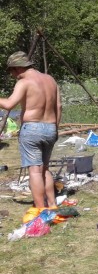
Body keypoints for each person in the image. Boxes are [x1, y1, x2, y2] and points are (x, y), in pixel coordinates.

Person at [0, 52, 61, 209]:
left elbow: (9, 104)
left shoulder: (24, 82)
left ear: (18, 68)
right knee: (45, 169)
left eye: (11, 71)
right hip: (51, 127)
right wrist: (55, 128)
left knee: (35, 171)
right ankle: (52, 204)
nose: (12, 75)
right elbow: (58, 106)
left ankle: (40, 210)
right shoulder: (50, 80)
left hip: (32, 128)